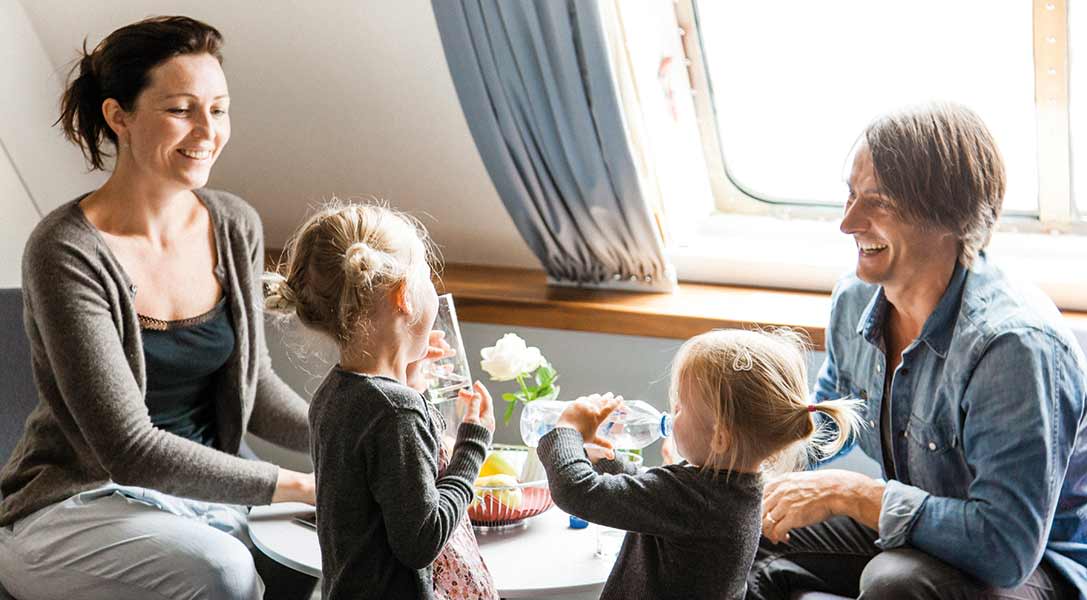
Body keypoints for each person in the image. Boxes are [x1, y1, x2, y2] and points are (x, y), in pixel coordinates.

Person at [749, 102, 1087, 600]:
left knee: (896, 583)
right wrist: (729, 459)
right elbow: (826, 426)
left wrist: (853, 494)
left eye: (879, 202)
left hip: (1046, 566)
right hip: (925, 538)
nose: (848, 222)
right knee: (737, 527)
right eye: (850, 195)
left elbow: (1006, 548)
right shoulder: (854, 301)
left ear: (949, 215)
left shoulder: (1012, 346)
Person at [0, 16, 321, 600]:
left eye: (218, 109)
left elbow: (257, 392)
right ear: (118, 116)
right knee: (221, 569)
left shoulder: (233, 224)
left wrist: (362, 430)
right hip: (80, 502)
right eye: (180, 109)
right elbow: (130, 448)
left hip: (203, 491)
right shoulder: (66, 250)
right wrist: (300, 484)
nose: (207, 131)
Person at [263, 203, 499, 600]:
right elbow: (422, 540)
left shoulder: (335, 393)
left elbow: (384, 487)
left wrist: (412, 380)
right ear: (404, 295)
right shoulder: (397, 413)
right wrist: (472, 448)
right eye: (427, 278)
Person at [538, 329, 861, 600]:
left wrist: (565, 431)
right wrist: (609, 462)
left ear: (720, 437)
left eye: (681, 407)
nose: (672, 410)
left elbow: (578, 492)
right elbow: (652, 490)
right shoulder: (728, 488)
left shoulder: (696, 499)